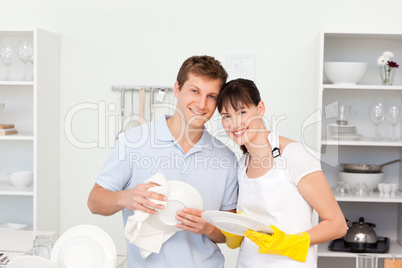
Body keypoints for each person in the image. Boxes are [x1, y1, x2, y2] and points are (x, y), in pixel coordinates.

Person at [87, 56, 239, 268]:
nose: (202, 104)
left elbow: (231, 233)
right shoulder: (133, 142)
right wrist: (126, 197)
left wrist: (207, 228)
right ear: (177, 89)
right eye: (194, 91)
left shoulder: (226, 159)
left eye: (211, 96)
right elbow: (94, 202)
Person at [216, 78, 347, 267]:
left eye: (242, 112)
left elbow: (337, 224)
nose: (234, 123)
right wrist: (233, 231)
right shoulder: (242, 164)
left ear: (260, 109)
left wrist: (289, 243)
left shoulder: (293, 155)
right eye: (226, 116)